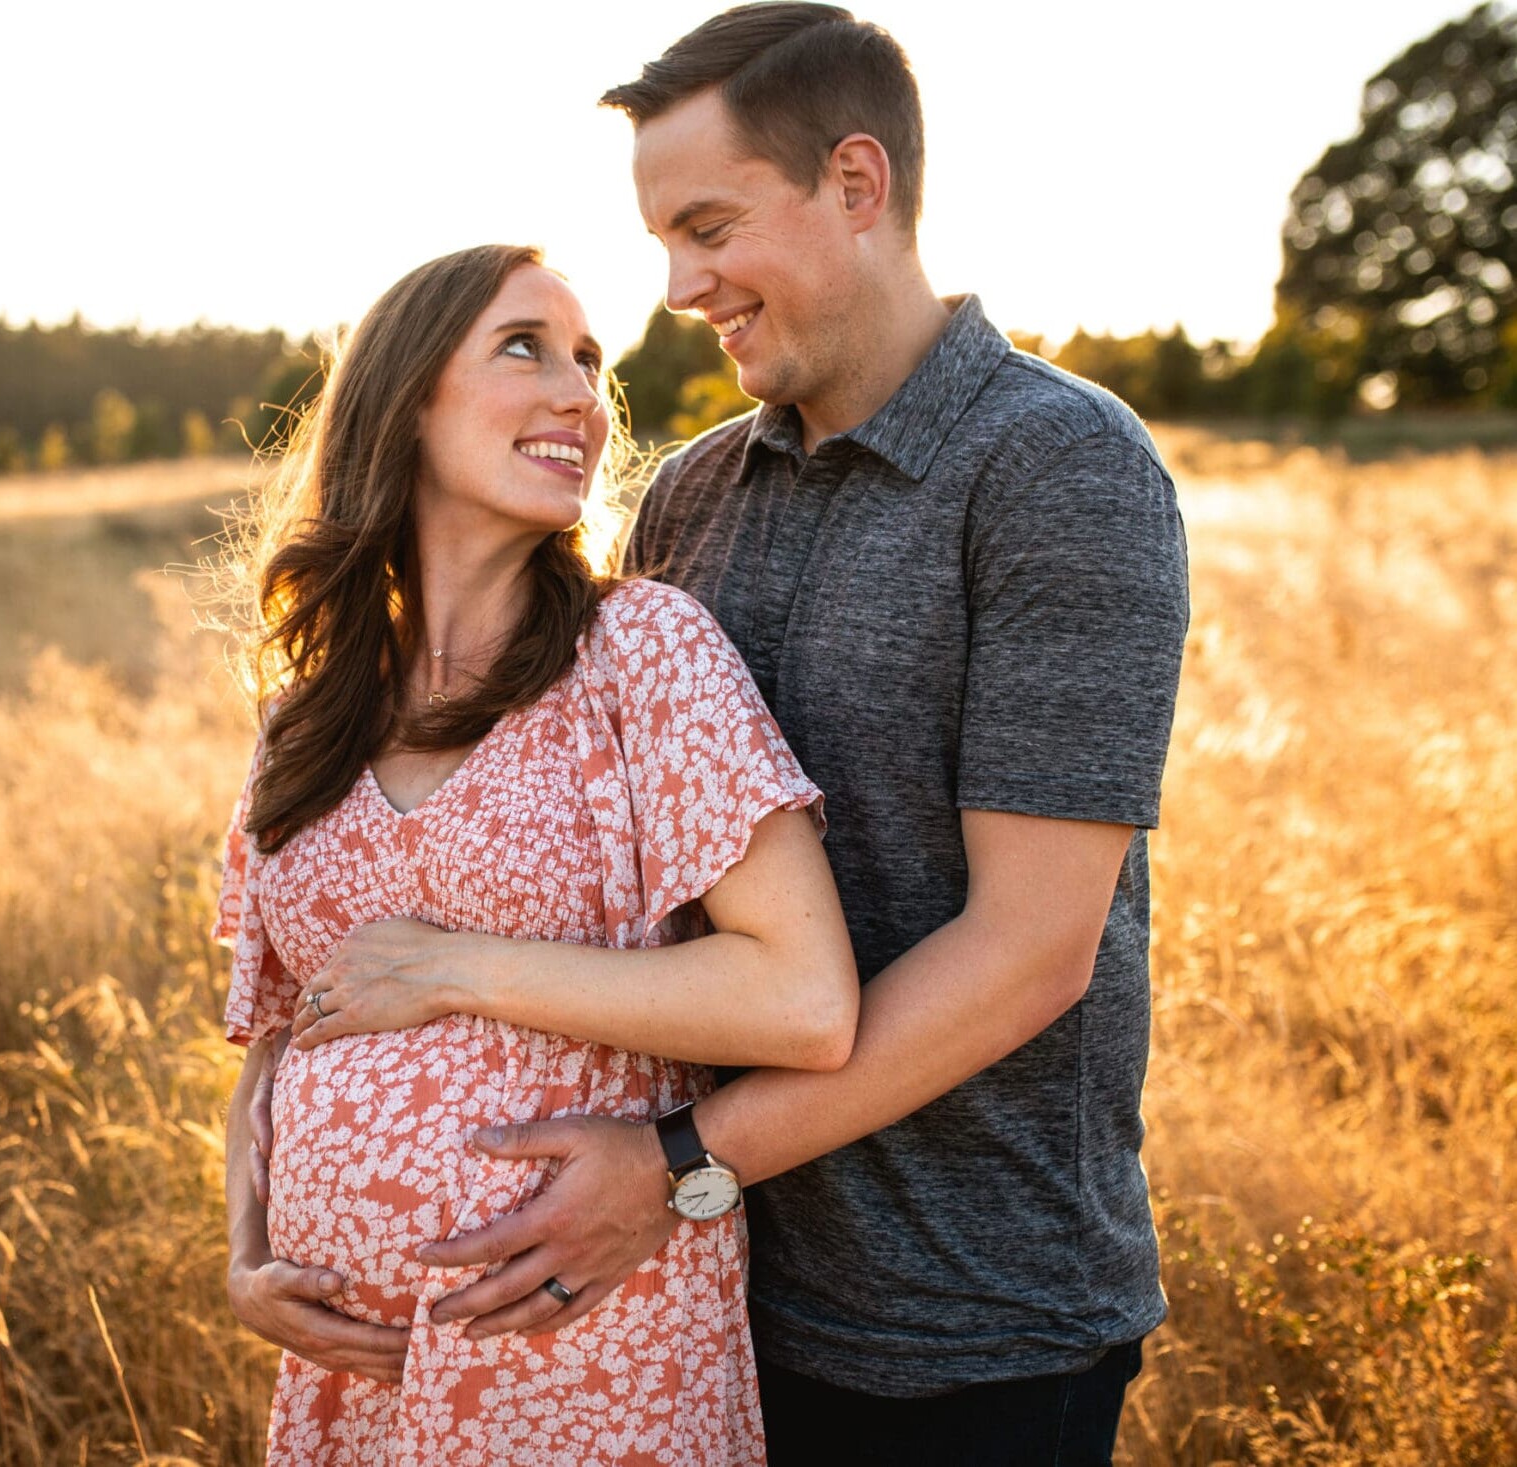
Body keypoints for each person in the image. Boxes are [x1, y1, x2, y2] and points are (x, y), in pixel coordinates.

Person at [248, 8, 1193, 1464]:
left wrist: (682, 1162)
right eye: (661, 242)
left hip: (963, 1311)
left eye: (709, 227)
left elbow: (1032, 949)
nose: (678, 288)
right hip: (695, 1289)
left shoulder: (1057, 467)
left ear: (857, 185)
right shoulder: (691, 497)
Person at [215, 242, 860, 1464]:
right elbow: (283, 1039)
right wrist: (247, 1256)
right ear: (402, 397)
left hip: (589, 1358)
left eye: (588, 360)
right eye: (526, 347)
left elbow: (803, 998)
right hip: (350, 1387)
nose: (580, 394)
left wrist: (460, 966)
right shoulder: (307, 717)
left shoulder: (641, 653)